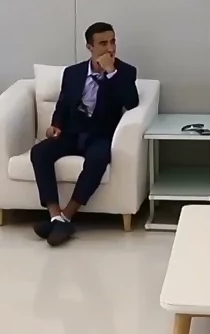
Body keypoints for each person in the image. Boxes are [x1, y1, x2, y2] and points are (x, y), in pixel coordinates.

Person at [31, 22, 139, 246]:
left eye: (113, 42)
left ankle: (67, 216)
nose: (110, 48)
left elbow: (131, 102)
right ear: (90, 47)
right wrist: (55, 126)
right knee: (40, 152)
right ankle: (54, 216)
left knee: (98, 158)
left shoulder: (125, 71)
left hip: (100, 134)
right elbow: (62, 105)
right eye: (103, 43)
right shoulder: (73, 73)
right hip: (72, 132)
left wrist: (111, 72)